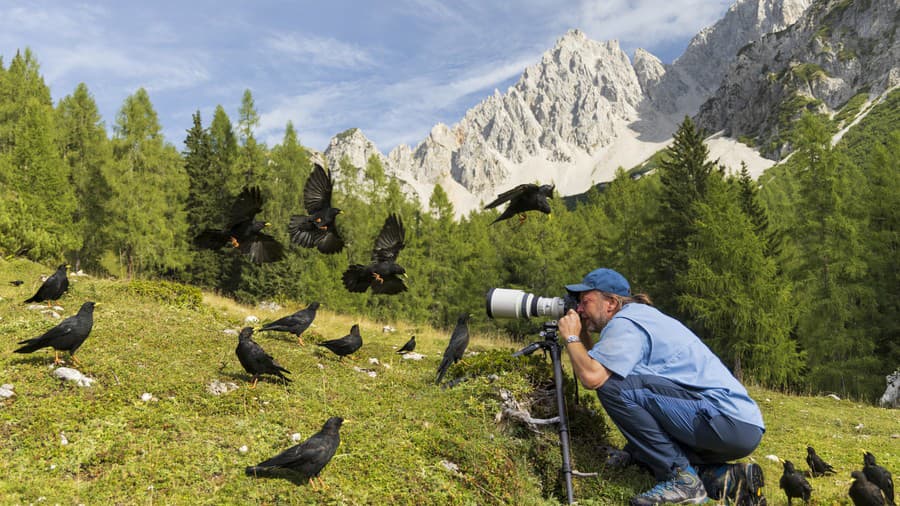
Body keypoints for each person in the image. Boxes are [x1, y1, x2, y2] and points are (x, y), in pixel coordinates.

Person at [558, 267, 766, 506]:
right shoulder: (641, 317)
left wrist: (572, 337)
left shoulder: (626, 323)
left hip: (724, 421)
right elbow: (592, 363)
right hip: (739, 427)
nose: (580, 309)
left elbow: (593, 378)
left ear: (611, 303)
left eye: (586, 301)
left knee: (612, 388)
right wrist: (581, 332)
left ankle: (681, 481)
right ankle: (730, 479)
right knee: (646, 453)